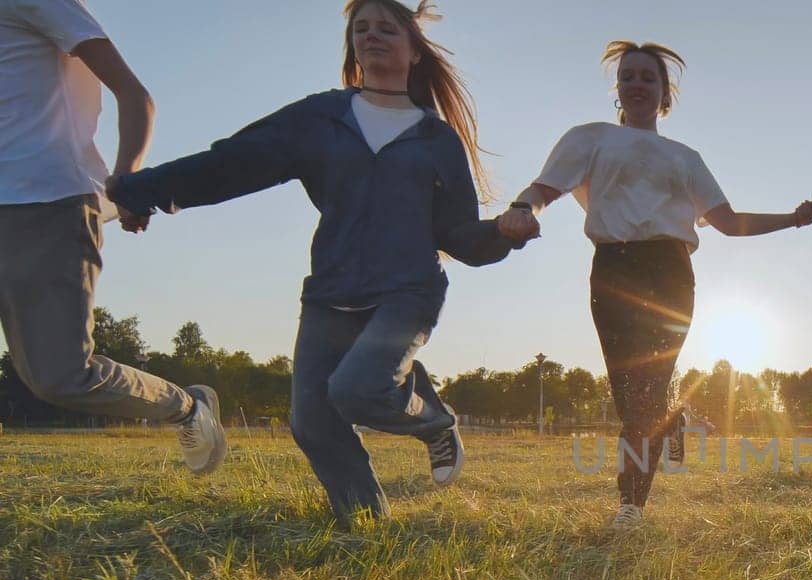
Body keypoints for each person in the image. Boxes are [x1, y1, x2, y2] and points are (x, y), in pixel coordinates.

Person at [109, 0, 529, 522]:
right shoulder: (321, 118)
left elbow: (459, 235)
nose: (372, 35)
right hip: (332, 289)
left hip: (408, 291)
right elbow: (234, 162)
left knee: (358, 390)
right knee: (311, 420)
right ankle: (367, 525)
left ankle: (435, 421)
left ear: (415, 50)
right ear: (351, 46)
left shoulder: (436, 139)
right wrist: (143, 190)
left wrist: (505, 234)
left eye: (387, 28)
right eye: (362, 29)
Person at [500, 41, 812, 530]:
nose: (637, 84)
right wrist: (522, 210)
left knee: (646, 391)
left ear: (664, 94)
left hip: (670, 272)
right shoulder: (591, 139)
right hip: (613, 269)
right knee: (630, 394)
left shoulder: (684, 157)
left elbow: (729, 222)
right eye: (628, 76)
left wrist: (794, 220)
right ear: (618, 89)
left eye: (648, 78)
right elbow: (543, 189)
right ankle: (671, 419)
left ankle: (631, 506)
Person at [0, 0, 225, 473]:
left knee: (60, 376)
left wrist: (127, 184)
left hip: (44, 204)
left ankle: (186, 407)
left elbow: (134, 94)